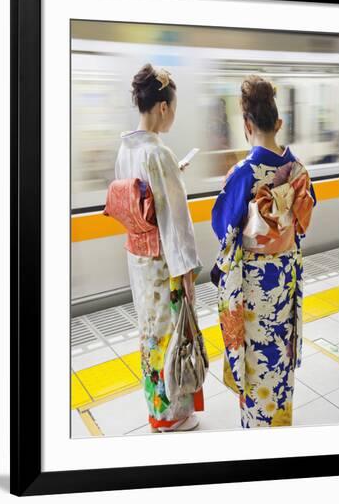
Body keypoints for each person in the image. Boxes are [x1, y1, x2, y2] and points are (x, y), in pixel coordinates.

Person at [210, 75, 317, 428]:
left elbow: (223, 227)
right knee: (280, 351)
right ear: (279, 122)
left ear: (246, 124)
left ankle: (258, 429)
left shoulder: (243, 173)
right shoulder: (299, 170)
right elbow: (302, 221)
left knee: (257, 359)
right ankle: (281, 419)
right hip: (285, 276)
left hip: (255, 286)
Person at [114, 63, 203, 432]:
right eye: (174, 109)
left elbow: (140, 203)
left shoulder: (126, 149)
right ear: (162, 107)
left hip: (138, 260)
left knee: (150, 332)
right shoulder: (159, 153)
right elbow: (175, 222)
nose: (173, 117)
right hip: (164, 264)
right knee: (171, 334)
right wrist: (186, 273)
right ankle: (172, 415)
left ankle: (154, 408)